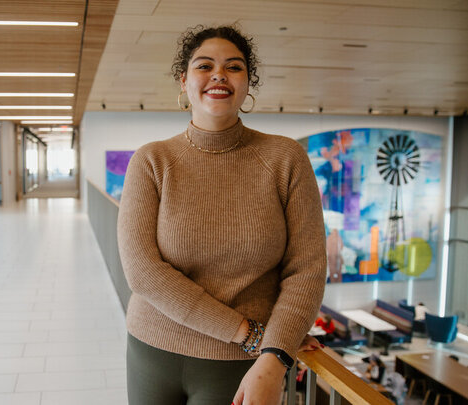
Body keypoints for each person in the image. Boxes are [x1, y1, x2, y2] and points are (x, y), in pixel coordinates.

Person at [117, 24, 328, 405]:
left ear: (248, 83)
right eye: (204, 66)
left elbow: (307, 269)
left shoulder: (285, 159)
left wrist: (276, 354)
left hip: (242, 366)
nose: (219, 74)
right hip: (153, 348)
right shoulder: (152, 160)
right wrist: (249, 334)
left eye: (234, 66)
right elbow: (142, 271)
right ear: (184, 81)